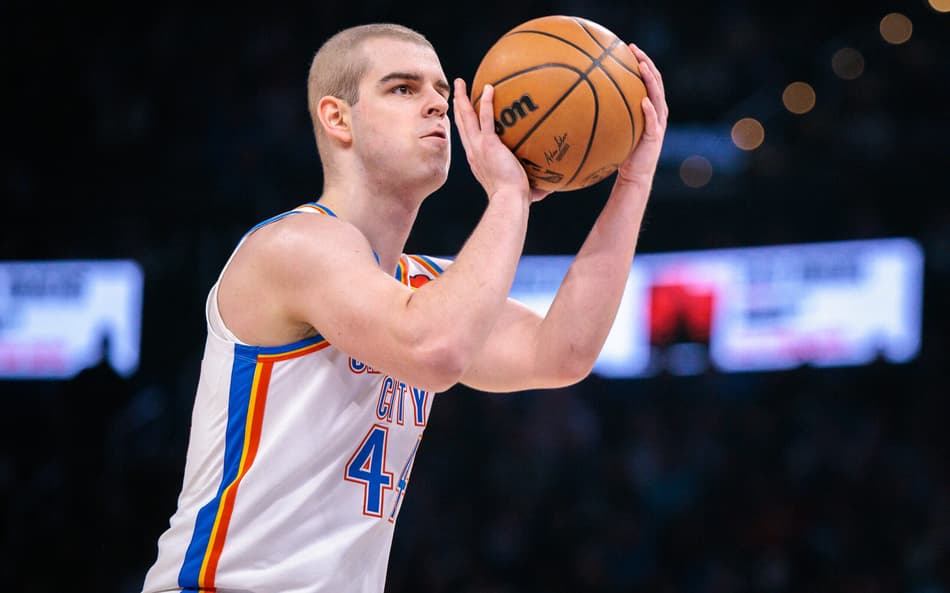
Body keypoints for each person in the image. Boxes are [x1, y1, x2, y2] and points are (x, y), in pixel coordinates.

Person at [141, 21, 667, 593]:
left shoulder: (424, 288)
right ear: (338, 118)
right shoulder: (292, 246)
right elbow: (436, 350)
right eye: (403, 89)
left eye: (443, 92)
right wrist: (512, 196)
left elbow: (562, 352)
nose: (437, 107)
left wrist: (634, 179)